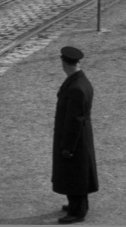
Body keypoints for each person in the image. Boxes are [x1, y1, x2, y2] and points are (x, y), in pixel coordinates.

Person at [52, 46, 98, 224]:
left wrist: (67, 147)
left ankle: (77, 211)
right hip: (81, 137)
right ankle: (76, 204)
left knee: (75, 173)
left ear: (64, 63)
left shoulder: (76, 88)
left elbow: (74, 121)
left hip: (75, 139)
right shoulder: (81, 81)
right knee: (76, 172)